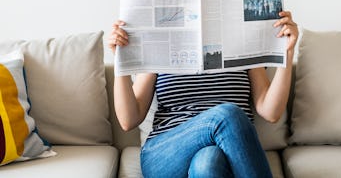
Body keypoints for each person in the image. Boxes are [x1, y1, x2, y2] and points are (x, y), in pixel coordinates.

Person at [108, 11, 298, 178]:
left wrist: (287, 53)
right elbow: (128, 119)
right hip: (165, 154)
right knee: (227, 115)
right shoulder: (162, 40)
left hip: (223, 152)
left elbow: (271, 111)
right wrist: (120, 62)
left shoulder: (241, 40)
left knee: (207, 163)